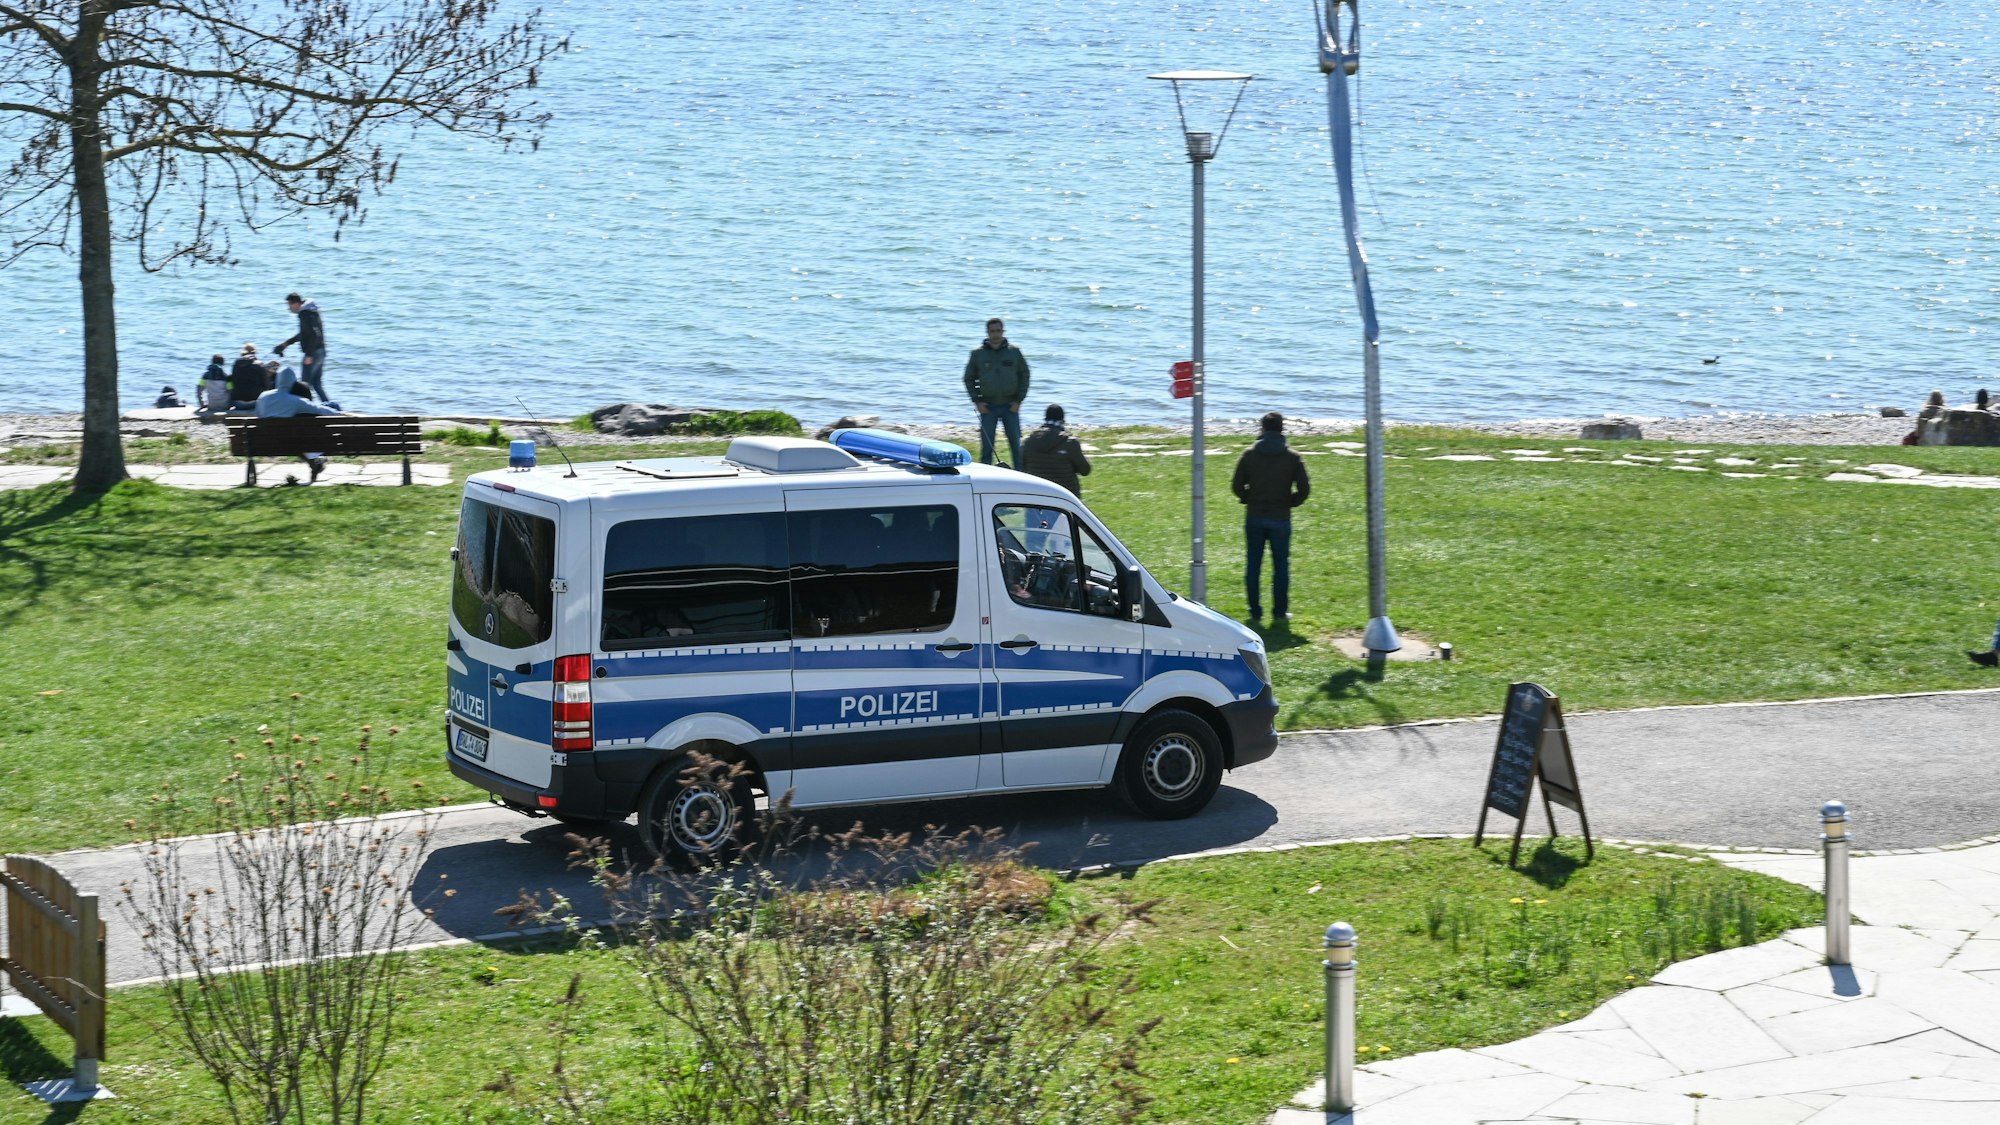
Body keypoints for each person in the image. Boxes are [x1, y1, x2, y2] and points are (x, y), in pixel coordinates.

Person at [1231, 411, 1311, 624]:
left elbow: (1236, 486)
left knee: (1253, 565)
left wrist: (1248, 498)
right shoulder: (1293, 457)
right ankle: (1280, 611)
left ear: (1263, 429)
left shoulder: (1249, 455)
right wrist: (1290, 501)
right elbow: (1304, 489)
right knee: (1281, 566)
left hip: (1255, 516)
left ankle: (1255, 612)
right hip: (1281, 517)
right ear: (1282, 429)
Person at [963, 317, 1029, 467]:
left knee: (1016, 447)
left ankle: (1022, 477)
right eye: (992, 331)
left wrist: (1019, 400)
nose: (996, 334)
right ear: (987, 332)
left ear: (1003, 331)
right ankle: (986, 479)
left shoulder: (1014, 352)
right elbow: (968, 379)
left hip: (1010, 406)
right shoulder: (977, 354)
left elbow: (1025, 375)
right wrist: (977, 401)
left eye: (998, 331)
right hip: (988, 407)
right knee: (987, 448)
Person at [254, 377, 342, 483]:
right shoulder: (301, 405)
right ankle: (315, 462)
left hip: (277, 443)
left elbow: (258, 416)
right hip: (315, 441)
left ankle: (315, 462)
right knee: (332, 406)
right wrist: (342, 414)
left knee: (298, 440)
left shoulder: (273, 401)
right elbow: (320, 410)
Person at [1019, 404, 1091, 496]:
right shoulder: (1070, 443)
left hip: (1036, 496)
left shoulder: (1028, 442)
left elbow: (1022, 468)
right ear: (1062, 420)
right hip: (1065, 497)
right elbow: (1085, 470)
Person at [274, 291, 328, 403]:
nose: (289, 309)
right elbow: (304, 334)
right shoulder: (312, 311)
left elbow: (314, 334)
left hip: (313, 353)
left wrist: (309, 355)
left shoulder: (304, 314)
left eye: (289, 305)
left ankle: (306, 412)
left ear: (295, 304)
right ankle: (330, 408)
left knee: (304, 385)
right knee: (316, 384)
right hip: (321, 351)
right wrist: (286, 344)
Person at [228, 344, 267, 409]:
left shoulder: (236, 364)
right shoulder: (260, 364)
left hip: (238, 403)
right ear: (254, 353)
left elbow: (232, 381)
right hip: (256, 403)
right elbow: (265, 385)